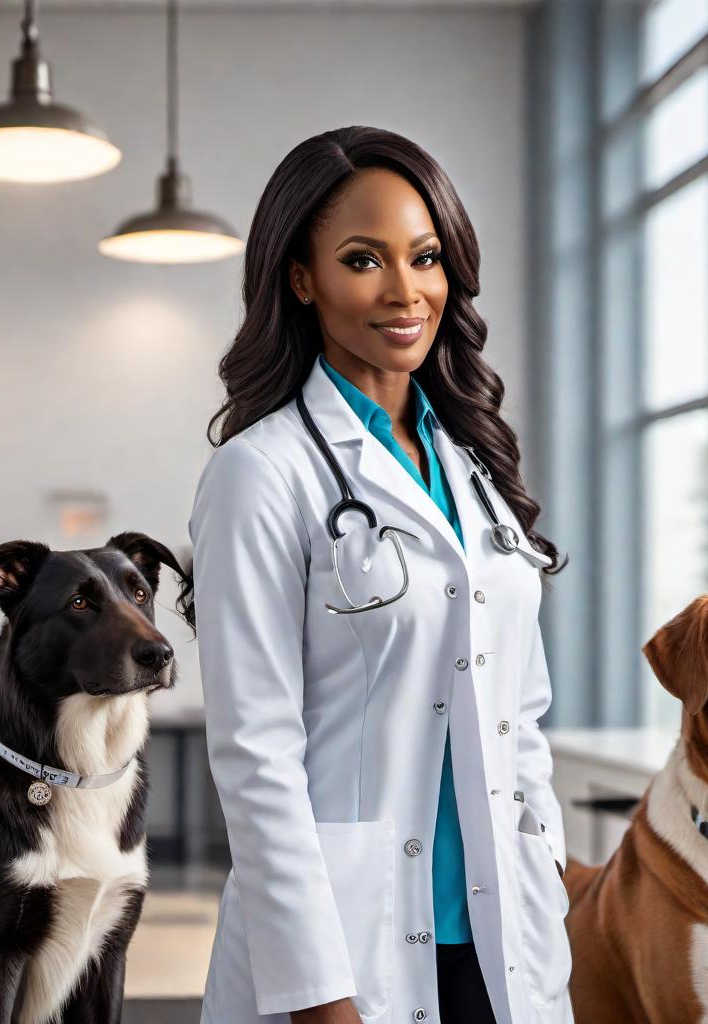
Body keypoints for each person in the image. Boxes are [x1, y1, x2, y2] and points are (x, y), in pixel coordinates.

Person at [188, 127, 573, 1024]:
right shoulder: (261, 472)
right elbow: (255, 757)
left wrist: (544, 862)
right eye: (364, 260)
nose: (406, 293)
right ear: (301, 276)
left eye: (426, 258)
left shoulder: (472, 467)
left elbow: (524, 713)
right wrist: (322, 996)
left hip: (504, 934)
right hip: (345, 949)